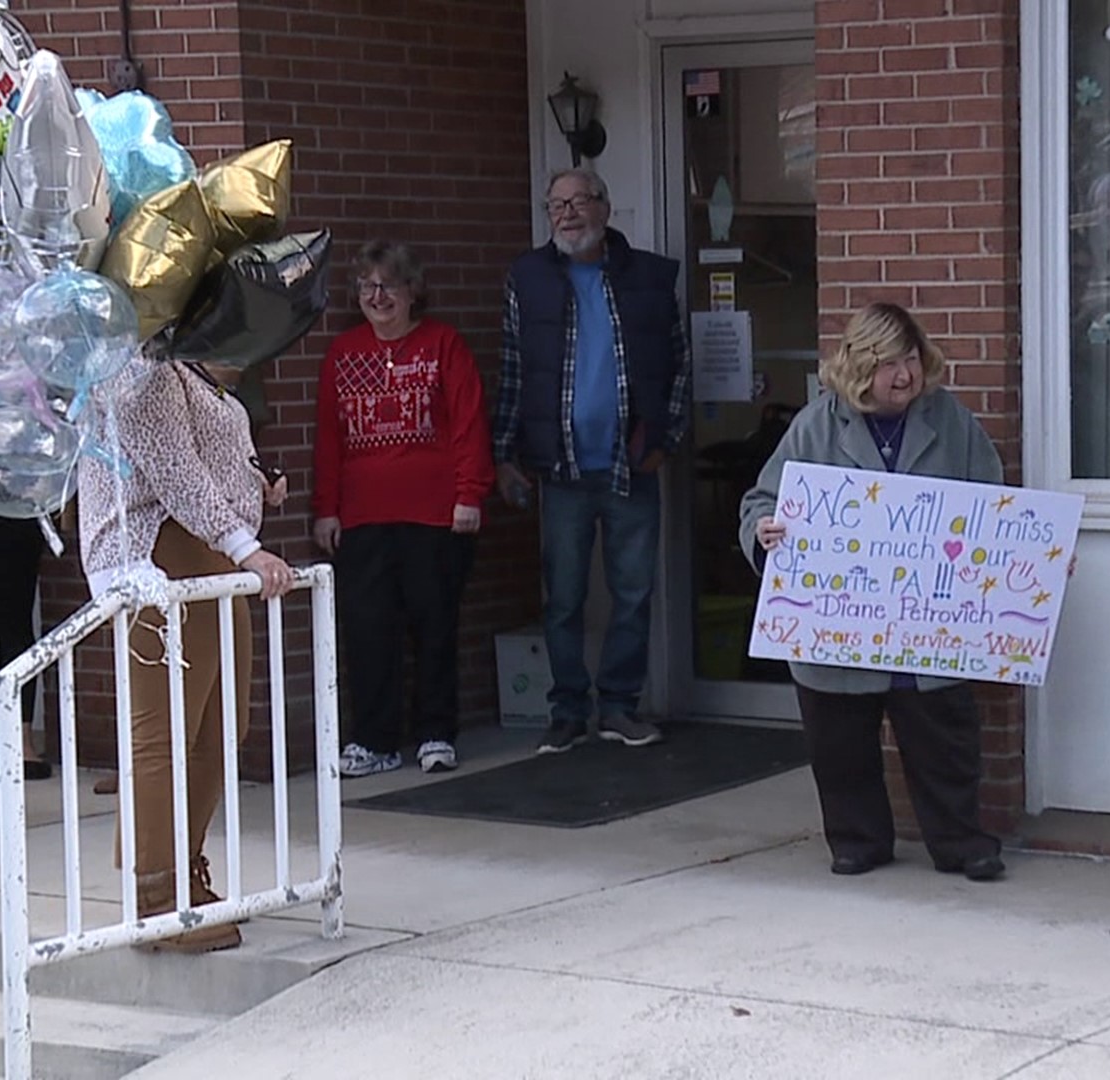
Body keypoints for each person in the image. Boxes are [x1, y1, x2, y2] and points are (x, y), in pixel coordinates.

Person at [739, 303, 1006, 882]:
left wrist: (1030, 559)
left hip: (926, 625)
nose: (904, 375)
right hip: (840, 625)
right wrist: (763, 535)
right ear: (860, 366)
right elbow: (761, 501)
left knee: (944, 742)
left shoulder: (951, 421)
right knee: (841, 746)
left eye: (910, 359)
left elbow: (995, 506)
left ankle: (961, 843)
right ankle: (858, 840)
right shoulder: (815, 425)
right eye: (888, 364)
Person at [77, 358, 296, 953]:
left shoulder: (205, 382)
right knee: (165, 732)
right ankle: (156, 899)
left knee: (222, 727)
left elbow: (207, 470)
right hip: (158, 555)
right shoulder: (145, 373)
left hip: (212, 553)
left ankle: (185, 869)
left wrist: (257, 489)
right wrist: (248, 549)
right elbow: (174, 473)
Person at [493, 169, 690, 755]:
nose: (568, 214)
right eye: (557, 205)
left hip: (632, 464)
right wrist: (505, 454)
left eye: (579, 202)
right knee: (564, 598)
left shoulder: (650, 278)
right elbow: (513, 372)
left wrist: (667, 438)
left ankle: (620, 708)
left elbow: (679, 365)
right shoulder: (526, 279)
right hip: (562, 470)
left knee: (632, 593)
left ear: (606, 207)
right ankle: (568, 710)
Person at [314, 242, 493, 778]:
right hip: (364, 518)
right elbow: (329, 440)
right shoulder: (343, 354)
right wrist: (326, 509)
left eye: (388, 285)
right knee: (368, 630)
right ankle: (374, 740)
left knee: (434, 625)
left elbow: (468, 423)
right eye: (367, 287)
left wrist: (470, 494)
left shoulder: (444, 346)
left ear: (413, 290)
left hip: (436, 516)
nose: (377, 296)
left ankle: (436, 733)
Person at [0, 517, 51, 781]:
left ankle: (22, 742)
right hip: (20, 512)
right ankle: (23, 742)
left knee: (12, 625)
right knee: (14, 625)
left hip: (15, 515)